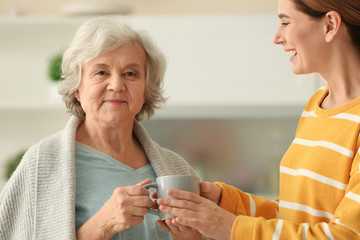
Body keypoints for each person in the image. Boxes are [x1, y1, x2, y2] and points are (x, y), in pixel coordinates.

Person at [157, 0, 360, 239]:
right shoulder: (318, 103)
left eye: (285, 22)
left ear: (330, 25)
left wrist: (228, 227)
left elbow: (346, 234)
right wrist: (225, 202)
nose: (277, 37)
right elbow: (292, 217)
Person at [0, 15, 202, 240]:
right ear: (77, 88)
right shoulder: (41, 163)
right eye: (101, 72)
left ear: (145, 90)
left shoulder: (178, 169)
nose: (116, 85)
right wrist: (102, 224)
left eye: (130, 73)